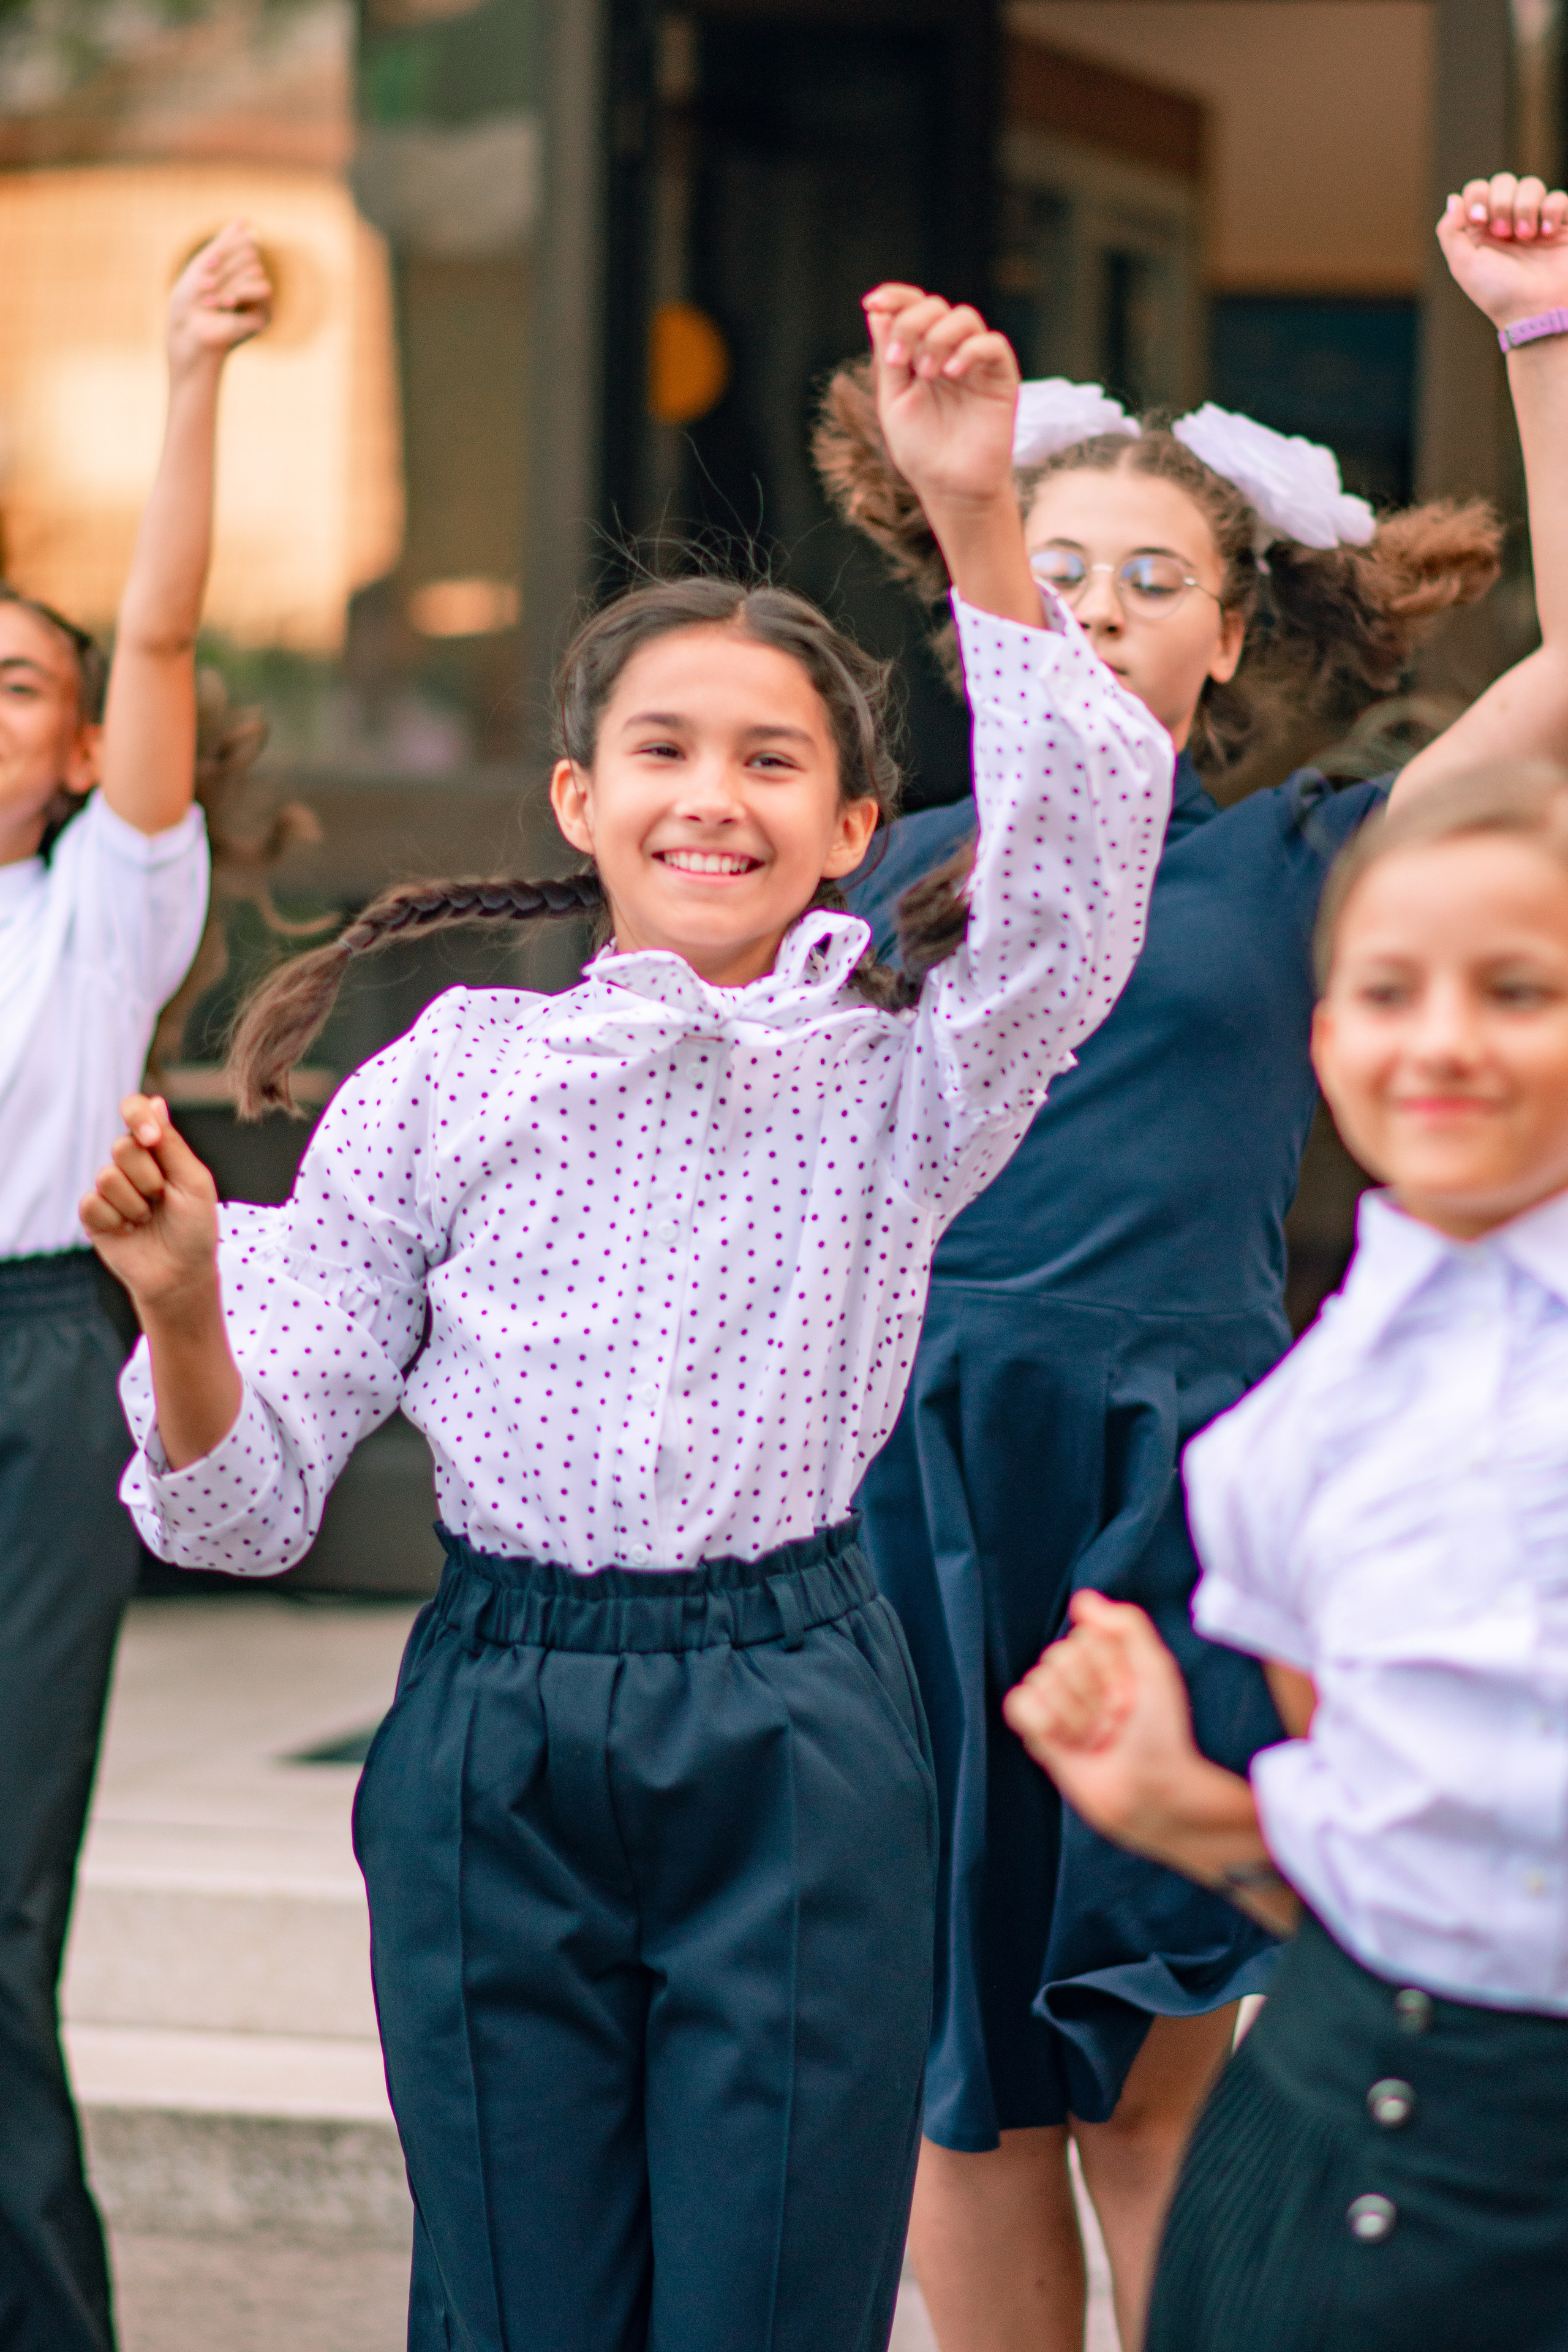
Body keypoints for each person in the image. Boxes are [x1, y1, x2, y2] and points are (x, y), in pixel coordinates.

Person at [80, 288, 1172, 2352]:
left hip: (795, 1711)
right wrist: (187, 1305)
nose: (714, 797)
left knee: (771, 2298)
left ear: (856, 827)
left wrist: (973, 516)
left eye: (777, 762)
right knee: (513, 2307)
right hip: (497, 1715)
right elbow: (242, 1507)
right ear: (579, 803)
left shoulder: (905, 1067)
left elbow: (1077, 887)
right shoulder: (452, 1075)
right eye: (662, 751)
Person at [810, 173, 1568, 2352]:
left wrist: (1532, 337)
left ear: (1230, 633)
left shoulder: (1319, 857)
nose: (1106, 607)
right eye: (1056, 576)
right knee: (955, 2086)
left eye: (1156, 579)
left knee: (1152, 2062)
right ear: (982, 615)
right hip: (917, 1478)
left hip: (1182, 1473)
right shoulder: (891, 871)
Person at [1006, 750, 1568, 2352]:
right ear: (1327, 1043)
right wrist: (1188, 1813)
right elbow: (1401, 1866)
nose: (1443, 1042)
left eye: (1518, 990)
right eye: (1390, 992)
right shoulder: (1284, 1437)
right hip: (1313, 2167)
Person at [0, 222, 270, 2352]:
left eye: (16, 681)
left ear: (85, 748)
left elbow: (164, 626)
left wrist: (187, 374)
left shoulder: (102, 910)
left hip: (26, 1371)